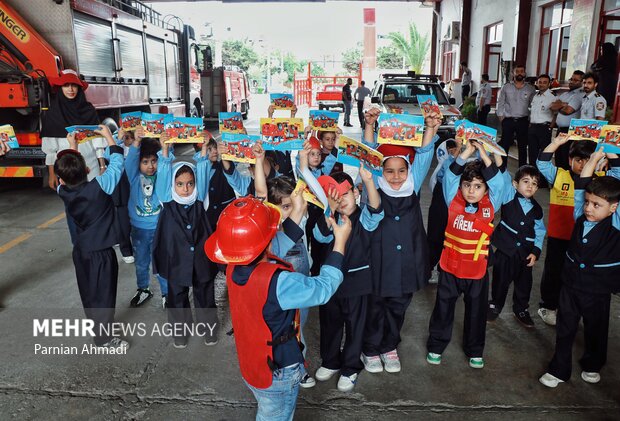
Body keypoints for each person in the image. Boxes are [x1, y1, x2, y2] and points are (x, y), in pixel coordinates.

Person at [204, 196, 351, 421]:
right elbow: (322, 289)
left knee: (270, 409)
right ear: (268, 241)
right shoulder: (278, 282)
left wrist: (299, 210)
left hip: (253, 362)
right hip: (278, 371)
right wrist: (340, 243)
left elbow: (272, 245)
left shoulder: (233, 266)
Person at [360, 111, 441, 374]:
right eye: (389, 171)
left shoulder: (413, 185)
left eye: (401, 171)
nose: (396, 177)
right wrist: (370, 125)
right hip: (378, 261)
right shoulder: (374, 187)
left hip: (408, 261)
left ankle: (389, 345)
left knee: (398, 306)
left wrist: (429, 127)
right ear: (380, 170)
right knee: (375, 306)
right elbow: (370, 152)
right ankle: (370, 348)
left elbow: (426, 152)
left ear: (409, 169)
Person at [539, 148, 620, 388]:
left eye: (597, 205)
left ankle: (593, 364)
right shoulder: (579, 215)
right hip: (571, 285)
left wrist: (613, 153)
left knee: (596, 329)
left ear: (613, 208)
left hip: (598, 289)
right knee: (565, 328)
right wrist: (594, 159)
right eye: (588, 203)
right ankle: (559, 369)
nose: (588, 208)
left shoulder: (616, 223)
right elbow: (582, 185)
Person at [426, 140, 505, 369]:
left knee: (476, 313)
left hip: (477, 271)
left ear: (486, 189)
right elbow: (451, 177)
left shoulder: (493, 203)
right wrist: (466, 152)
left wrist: (483, 152)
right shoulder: (453, 199)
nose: (471, 190)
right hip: (450, 268)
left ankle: (475, 350)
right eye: (467, 185)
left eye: (478, 186)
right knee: (443, 309)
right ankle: (436, 345)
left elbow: (499, 182)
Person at [54, 124, 129, 350]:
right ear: (87, 170)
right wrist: (108, 137)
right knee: (104, 295)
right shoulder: (101, 187)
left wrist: (72, 147)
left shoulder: (63, 192)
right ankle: (104, 339)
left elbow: (66, 175)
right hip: (101, 253)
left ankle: (96, 328)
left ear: (61, 180)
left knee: (88, 291)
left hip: (81, 252)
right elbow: (117, 163)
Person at [311, 168, 383, 392]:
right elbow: (319, 236)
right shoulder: (328, 217)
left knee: (355, 327)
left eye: (346, 194)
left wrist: (369, 180)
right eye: (335, 196)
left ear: (356, 193)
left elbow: (376, 209)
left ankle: (350, 367)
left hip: (357, 285)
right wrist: (329, 210)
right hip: (330, 284)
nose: (341, 200)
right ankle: (330, 361)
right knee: (330, 324)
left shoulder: (364, 217)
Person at [153, 134, 218, 348]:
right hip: (175, 259)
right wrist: (164, 151)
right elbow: (163, 174)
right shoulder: (167, 200)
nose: (186, 188)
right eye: (180, 184)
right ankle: (180, 333)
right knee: (177, 297)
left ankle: (208, 329)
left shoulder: (200, 199)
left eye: (190, 183)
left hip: (201, 259)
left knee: (205, 296)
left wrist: (204, 149)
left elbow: (203, 169)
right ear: (173, 185)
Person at [535, 134, 597, 326]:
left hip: (584, 242)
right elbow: (542, 164)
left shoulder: (601, 180)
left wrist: (607, 148)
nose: (583, 165)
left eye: (589, 161)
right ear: (570, 160)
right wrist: (557, 142)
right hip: (558, 237)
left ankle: (574, 309)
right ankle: (549, 306)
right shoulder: (559, 175)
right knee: (554, 272)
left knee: (579, 277)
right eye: (579, 160)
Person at [488, 164, 546, 327]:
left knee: (524, 284)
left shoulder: (537, 210)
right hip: (505, 251)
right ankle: (495, 305)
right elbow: (503, 176)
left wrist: (535, 251)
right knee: (500, 280)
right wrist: (499, 160)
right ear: (515, 184)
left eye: (534, 183)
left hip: (525, 254)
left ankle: (521, 309)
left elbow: (540, 231)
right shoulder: (508, 197)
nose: (530, 186)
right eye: (526, 181)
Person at [124, 127, 168, 308]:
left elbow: (166, 161)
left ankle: (167, 294)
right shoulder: (134, 176)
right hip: (139, 229)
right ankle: (144, 289)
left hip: (160, 228)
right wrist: (135, 142)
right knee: (141, 263)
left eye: (153, 161)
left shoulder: (162, 174)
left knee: (162, 263)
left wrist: (165, 146)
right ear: (138, 163)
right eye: (145, 162)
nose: (150, 166)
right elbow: (130, 161)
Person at [41, 69, 105, 190]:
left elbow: (97, 142)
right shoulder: (53, 113)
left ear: (79, 88)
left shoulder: (89, 110)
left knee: (95, 200)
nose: (70, 89)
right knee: (74, 204)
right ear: (60, 88)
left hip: (91, 166)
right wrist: (51, 174)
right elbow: (50, 149)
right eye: (66, 85)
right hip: (67, 170)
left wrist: (102, 166)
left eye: (74, 85)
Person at [427, 139, 462, 279]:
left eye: (456, 148)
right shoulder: (444, 170)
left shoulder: (471, 168)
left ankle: (446, 271)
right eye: (450, 149)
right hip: (440, 207)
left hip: (458, 212)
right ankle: (428, 267)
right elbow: (444, 177)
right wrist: (455, 156)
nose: (454, 151)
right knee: (435, 238)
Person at [496, 64, 536, 167]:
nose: (519, 73)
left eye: (521, 71)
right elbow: (500, 102)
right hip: (508, 120)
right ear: (513, 73)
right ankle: (502, 168)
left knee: (522, 147)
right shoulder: (506, 87)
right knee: (504, 146)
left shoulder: (530, 89)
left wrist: (531, 119)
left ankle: (521, 169)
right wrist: (501, 117)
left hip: (523, 121)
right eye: (517, 71)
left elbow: (534, 105)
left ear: (524, 73)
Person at [549, 70, 585, 169]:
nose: (572, 81)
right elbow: (552, 106)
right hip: (560, 130)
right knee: (558, 158)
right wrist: (563, 105)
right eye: (571, 79)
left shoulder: (580, 95)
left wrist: (561, 105)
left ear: (582, 82)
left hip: (570, 132)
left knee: (566, 160)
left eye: (576, 80)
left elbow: (568, 111)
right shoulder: (566, 94)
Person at [203, 137, 237, 229]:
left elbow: (232, 166)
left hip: (226, 211)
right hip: (209, 216)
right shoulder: (198, 170)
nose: (214, 151)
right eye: (209, 149)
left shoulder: (223, 165)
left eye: (215, 148)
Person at [527, 74, 556, 169]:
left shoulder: (552, 96)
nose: (542, 84)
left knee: (544, 155)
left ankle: (543, 179)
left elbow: (556, 114)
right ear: (537, 83)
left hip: (544, 128)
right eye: (540, 82)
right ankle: (532, 174)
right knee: (532, 153)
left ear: (549, 84)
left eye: (544, 82)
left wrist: (550, 127)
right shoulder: (536, 96)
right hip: (533, 127)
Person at [590, 42, 618, 107]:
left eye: (601, 49)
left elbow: (593, 67)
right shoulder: (614, 59)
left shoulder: (603, 60)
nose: (600, 51)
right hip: (610, 85)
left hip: (603, 83)